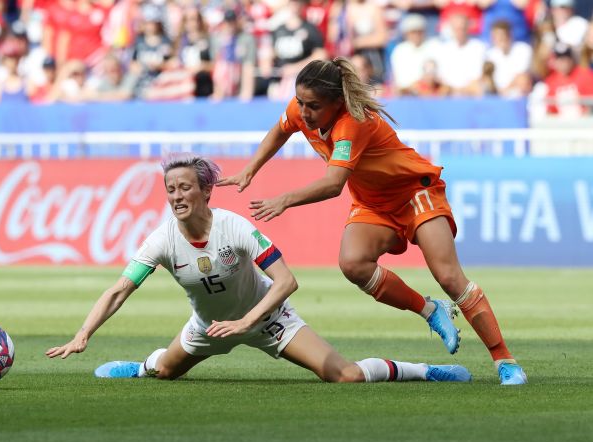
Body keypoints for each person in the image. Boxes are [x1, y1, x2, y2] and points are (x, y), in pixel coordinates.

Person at [217, 57, 527, 385]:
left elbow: (334, 183)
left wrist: (285, 199)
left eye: (313, 106)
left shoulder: (353, 122)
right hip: (374, 203)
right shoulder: (303, 110)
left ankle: (504, 360)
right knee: (353, 263)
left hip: (414, 194)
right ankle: (429, 310)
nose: (304, 112)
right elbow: (281, 129)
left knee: (450, 278)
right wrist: (251, 168)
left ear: (337, 102)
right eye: (300, 102)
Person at [47, 154, 472, 385]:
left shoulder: (234, 228)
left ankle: (424, 372)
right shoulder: (162, 240)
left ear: (206, 191)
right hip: (208, 326)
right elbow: (120, 290)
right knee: (164, 371)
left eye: (184, 188)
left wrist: (248, 321)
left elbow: (287, 281)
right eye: (170, 189)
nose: (176, 196)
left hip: (268, 319)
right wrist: (83, 334)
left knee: (347, 376)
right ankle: (139, 366)